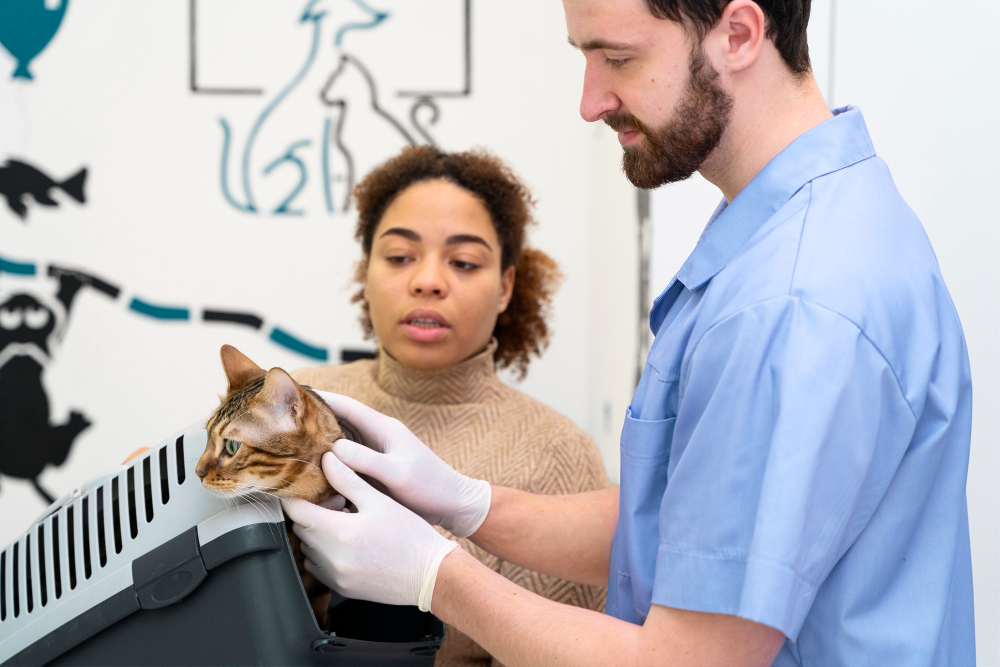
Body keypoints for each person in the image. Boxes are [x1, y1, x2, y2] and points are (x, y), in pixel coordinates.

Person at [284, 0, 975, 665]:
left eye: (618, 57)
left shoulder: (791, 304)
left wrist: (434, 574)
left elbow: (686, 661)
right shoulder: (806, 226)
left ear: (737, 34)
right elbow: (692, 528)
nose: (591, 101)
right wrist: (468, 503)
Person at [291, 146, 609, 666]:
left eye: (463, 262)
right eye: (398, 257)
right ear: (366, 271)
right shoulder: (303, 402)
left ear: (506, 285)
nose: (428, 280)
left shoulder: (557, 453)